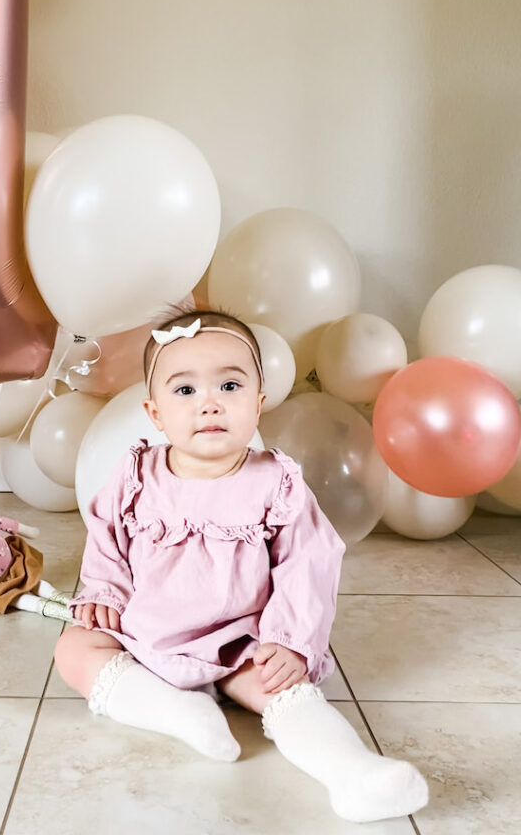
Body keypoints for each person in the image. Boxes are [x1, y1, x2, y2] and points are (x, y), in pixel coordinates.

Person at [54, 308, 428, 824]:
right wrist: (104, 592)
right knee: (74, 650)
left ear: (258, 402)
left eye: (229, 385)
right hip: (146, 639)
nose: (208, 403)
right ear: (155, 412)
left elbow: (309, 563)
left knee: (281, 687)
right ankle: (177, 713)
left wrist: (291, 639)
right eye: (184, 391)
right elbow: (106, 537)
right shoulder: (136, 474)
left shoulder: (276, 482)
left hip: (240, 643)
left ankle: (354, 773)